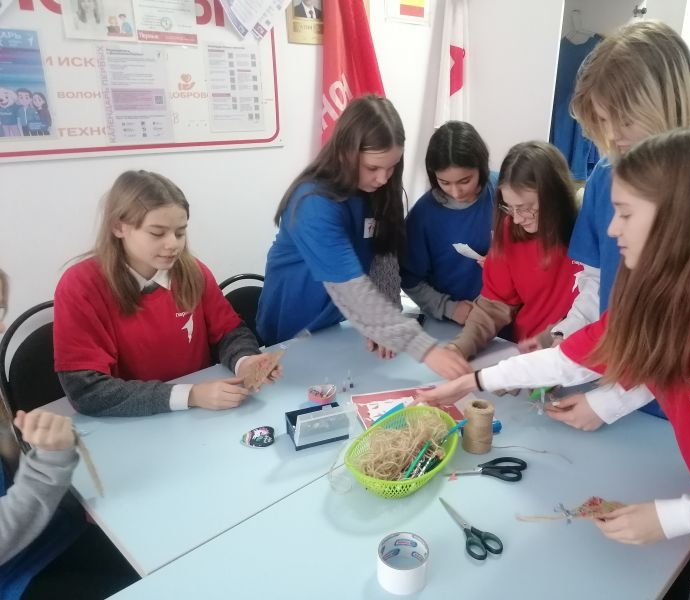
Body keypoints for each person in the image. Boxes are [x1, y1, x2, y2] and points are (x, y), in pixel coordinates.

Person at [417, 125, 690, 597]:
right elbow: (569, 360)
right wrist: (474, 380)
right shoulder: (669, 301)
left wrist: (674, 517)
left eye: (625, 213)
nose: (612, 229)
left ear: (679, 218)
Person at [547, 20, 690, 428]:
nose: (613, 136)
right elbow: (597, 282)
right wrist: (566, 340)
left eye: (623, 120)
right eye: (602, 120)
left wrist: (610, 403)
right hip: (611, 382)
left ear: (665, 103)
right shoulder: (606, 174)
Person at [255, 95, 470, 379]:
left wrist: (381, 325)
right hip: (291, 335)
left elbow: (383, 257)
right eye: (373, 168)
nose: (383, 178)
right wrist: (426, 349)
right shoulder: (313, 203)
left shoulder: (375, 190)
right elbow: (350, 288)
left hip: (336, 328)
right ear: (345, 152)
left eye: (392, 167)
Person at [54, 170, 282, 417]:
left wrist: (245, 361)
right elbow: (87, 390)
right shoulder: (81, 286)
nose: (173, 244)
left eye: (180, 232)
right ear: (118, 227)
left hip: (200, 413)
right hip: (133, 421)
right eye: (157, 233)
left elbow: (229, 332)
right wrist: (190, 395)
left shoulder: (192, 271)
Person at [0, 270, 137, 599]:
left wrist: (47, 450)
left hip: (46, 535)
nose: (2, 327)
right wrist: (48, 466)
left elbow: (16, 477)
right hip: (14, 573)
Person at [445, 141, 581, 360]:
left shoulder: (587, 234)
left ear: (554, 197)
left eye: (525, 208)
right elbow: (494, 304)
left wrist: (549, 340)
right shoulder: (511, 229)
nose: (517, 218)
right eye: (509, 207)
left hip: (571, 354)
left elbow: (595, 312)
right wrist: (459, 347)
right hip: (522, 352)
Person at [401, 121, 496, 325]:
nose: (456, 192)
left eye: (465, 181)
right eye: (444, 183)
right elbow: (409, 278)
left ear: (481, 168)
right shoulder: (423, 215)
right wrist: (449, 308)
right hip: (454, 321)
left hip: (506, 316)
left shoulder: (503, 191)